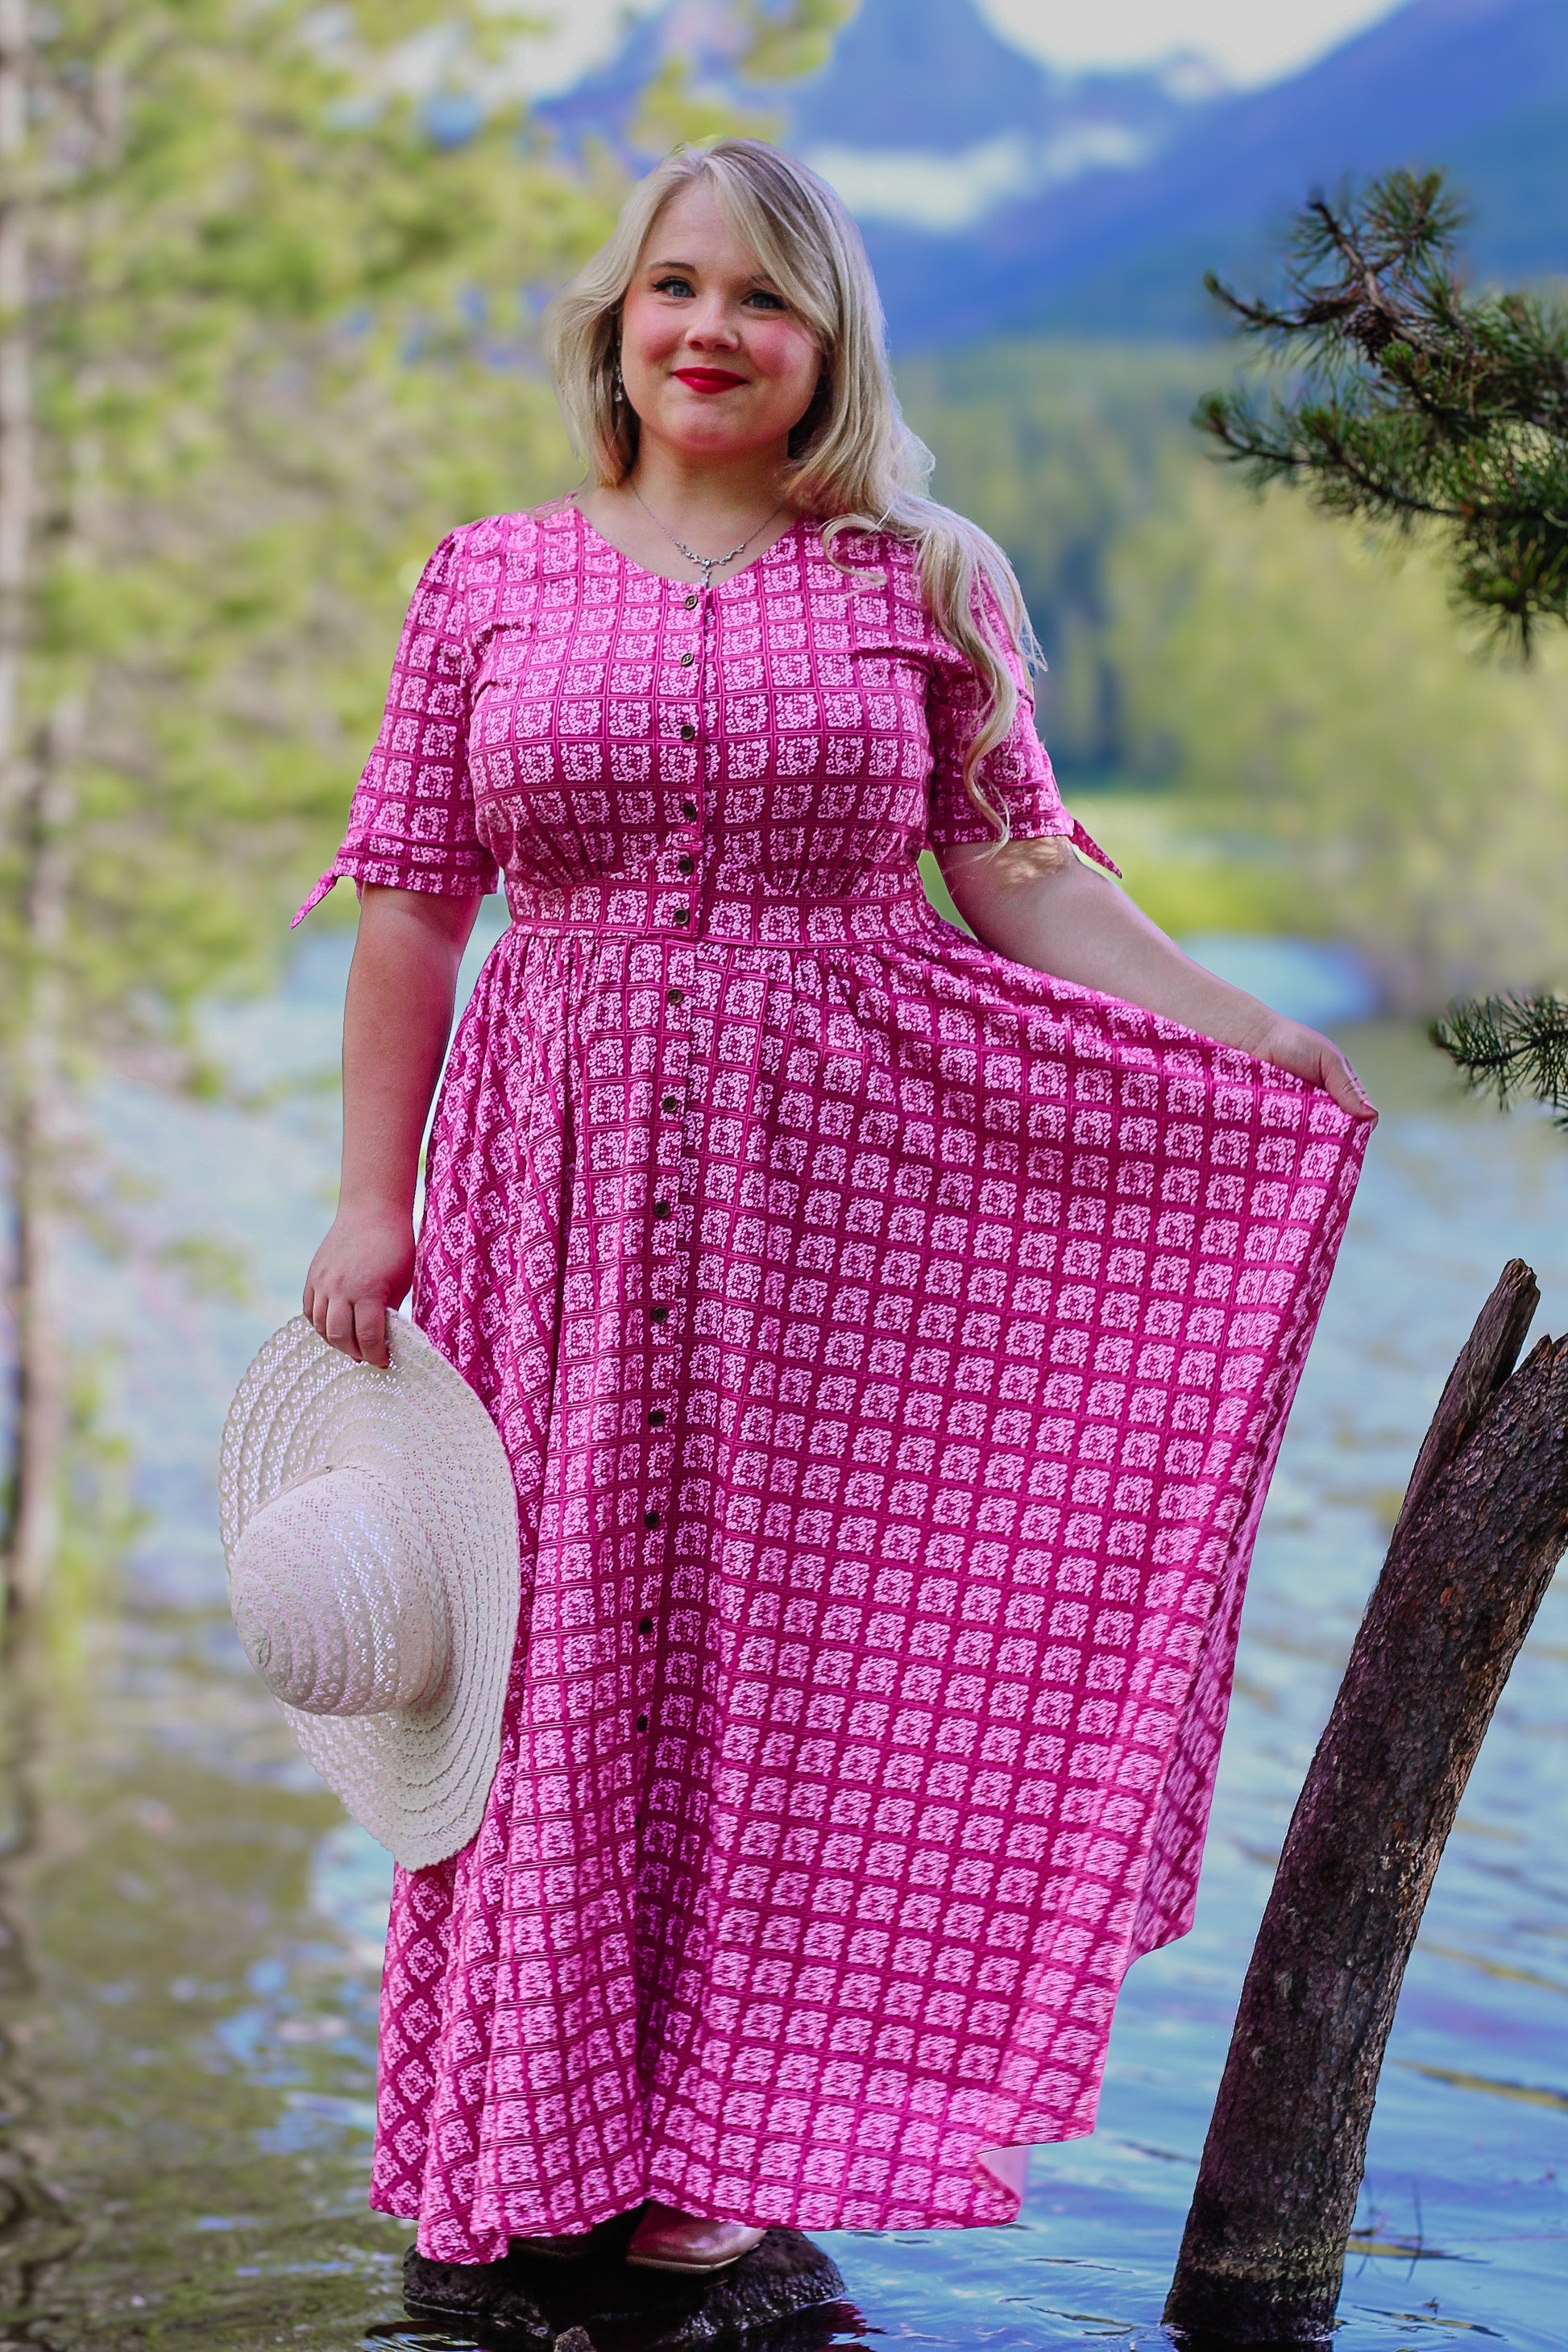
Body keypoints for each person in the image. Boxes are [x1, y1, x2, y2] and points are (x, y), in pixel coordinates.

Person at [297, 137, 1375, 2279]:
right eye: (674, 286)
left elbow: (1022, 869)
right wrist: (365, 1201)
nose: (710, 329)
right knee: (551, 1644)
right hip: (552, 1191)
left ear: (828, 342)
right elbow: (414, 906)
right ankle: (537, 2121)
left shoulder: (919, 578)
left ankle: (736, 2136)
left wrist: (1247, 1030)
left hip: (853, 1209)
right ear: (617, 320)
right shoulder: (486, 576)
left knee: (807, 1654)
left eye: (762, 297)